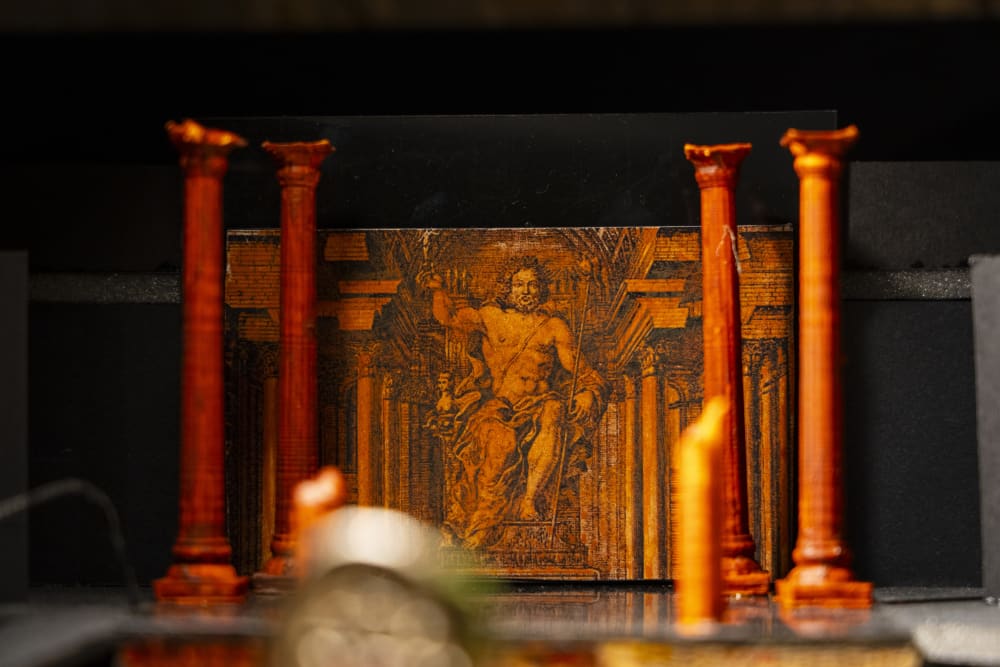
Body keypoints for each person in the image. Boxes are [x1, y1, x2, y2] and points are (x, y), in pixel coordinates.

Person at [419, 256, 607, 549]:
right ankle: (471, 526)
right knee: (500, 442)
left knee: (555, 409)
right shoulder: (491, 317)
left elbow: (581, 369)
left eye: (533, 284)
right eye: (519, 284)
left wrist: (589, 392)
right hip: (501, 406)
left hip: (540, 401)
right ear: (508, 288)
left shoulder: (554, 327)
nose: (526, 291)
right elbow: (448, 318)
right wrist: (437, 289)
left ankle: (529, 501)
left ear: (542, 289)